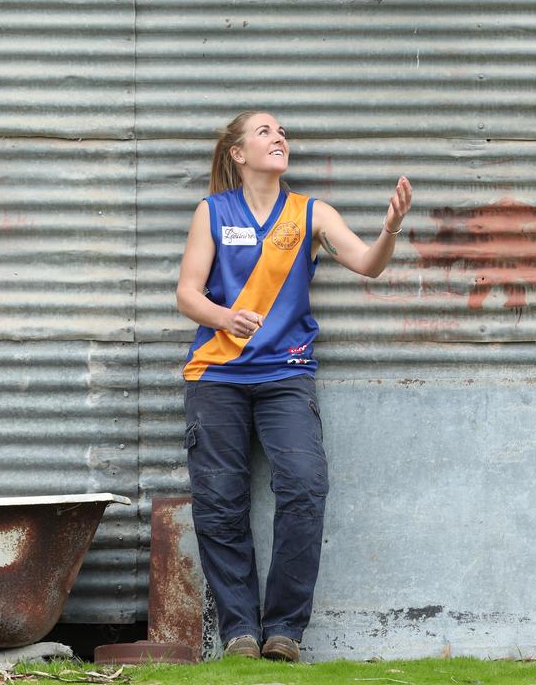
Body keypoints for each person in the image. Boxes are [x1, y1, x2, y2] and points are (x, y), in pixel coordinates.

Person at [176, 110, 412, 662]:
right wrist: (222, 317)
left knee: (305, 488)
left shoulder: (311, 213)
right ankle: (238, 632)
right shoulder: (211, 212)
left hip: (287, 376)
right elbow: (187, 293)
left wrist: (391, 228)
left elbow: (368, 265)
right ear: (238, 153)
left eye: (281, 131)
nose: (278, 137)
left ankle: (283, 629)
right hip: (217, 376)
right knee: (219, 503)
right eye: (264, 132)